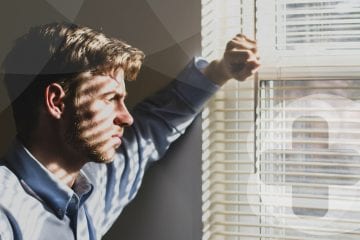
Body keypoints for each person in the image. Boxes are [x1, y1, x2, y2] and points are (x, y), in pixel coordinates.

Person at [0, 22, 260, 239]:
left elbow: (154, 125)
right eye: (111, 98)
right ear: (57, 102)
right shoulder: (7, 214)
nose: (126, 118)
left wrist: (220, 70)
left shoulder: (94, 184)